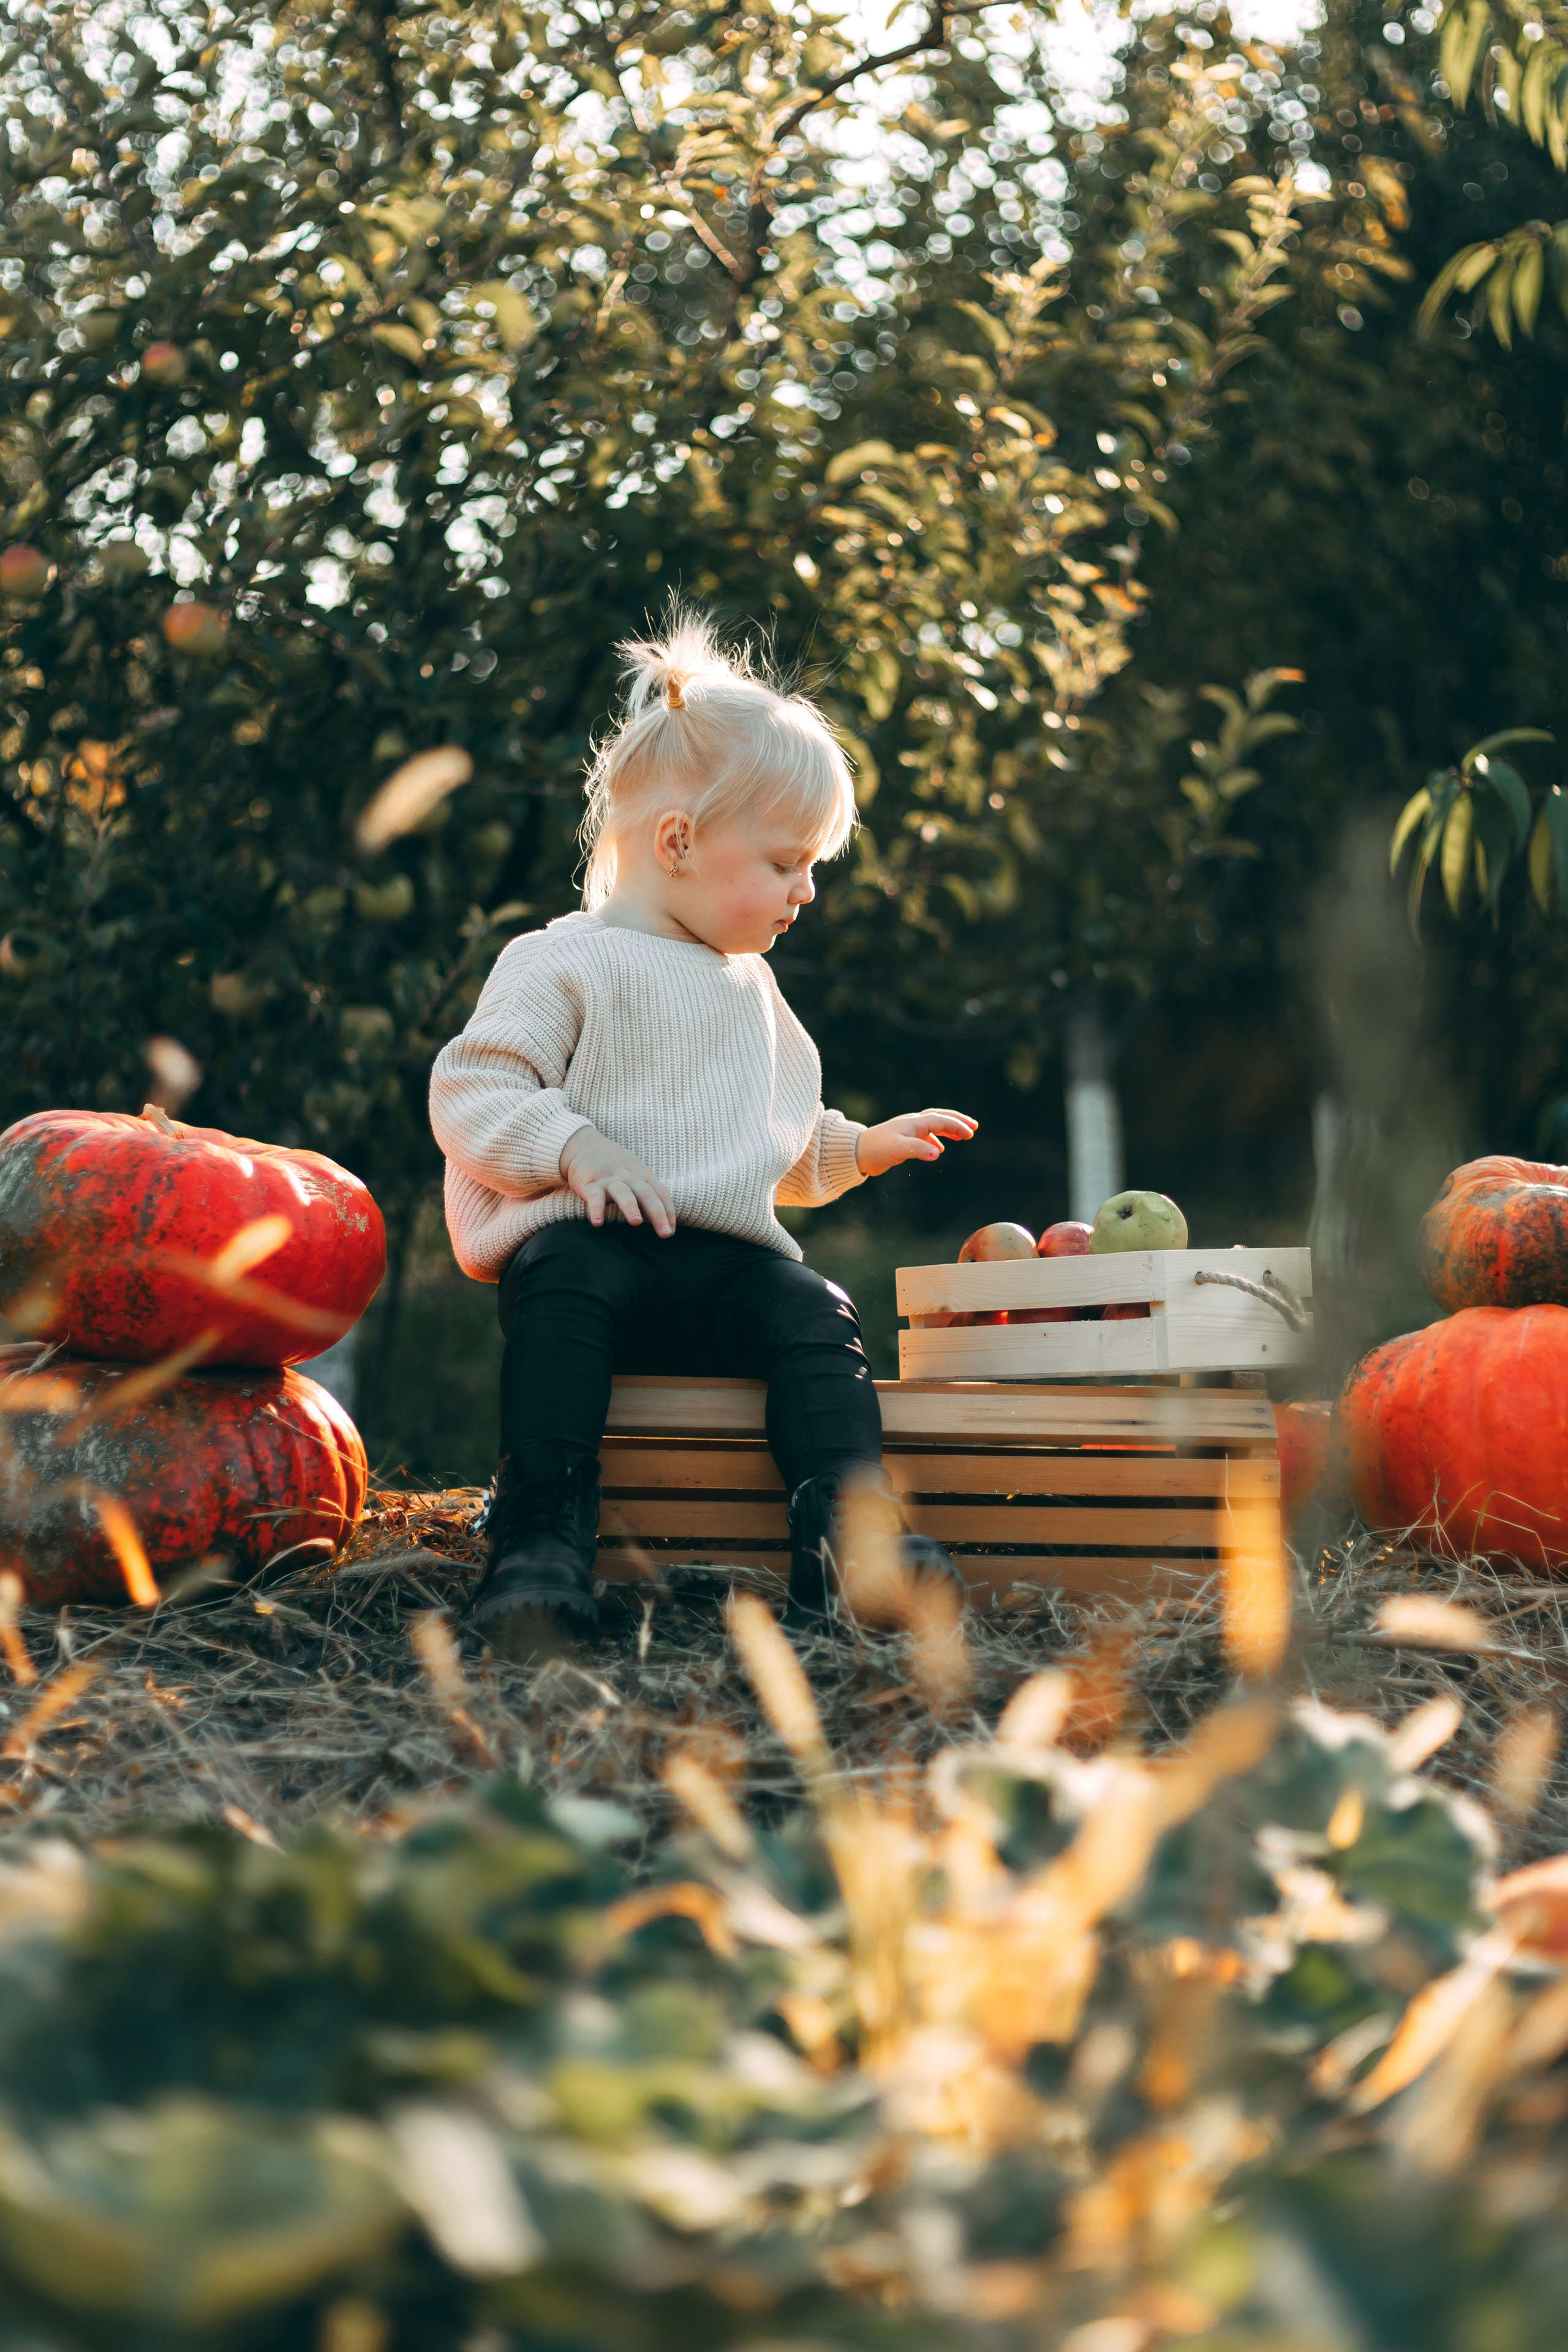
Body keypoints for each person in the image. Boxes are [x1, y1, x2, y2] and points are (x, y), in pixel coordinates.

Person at [429, 613, 976, 1656]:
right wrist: (573, 1150)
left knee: (814, 1310)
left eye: (810, 865)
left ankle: (850, 1544)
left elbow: (775, 1142)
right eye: (784, 863)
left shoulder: (755, 993)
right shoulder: (562, 963)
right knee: (564, 1284)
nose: (806, 890)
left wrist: (859, 1147)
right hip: (591, 1260)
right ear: (678, 842)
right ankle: (541, 1539)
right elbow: (476, 1090)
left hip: (721, 1275)